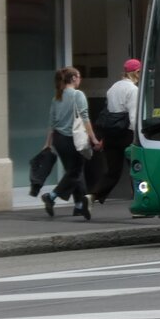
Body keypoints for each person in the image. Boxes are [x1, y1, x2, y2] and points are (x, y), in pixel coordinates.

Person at [41, 67, 101, 220]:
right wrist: (93, 139)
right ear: (74, 78)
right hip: (72, 139)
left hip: (59, 140)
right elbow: (85, 118)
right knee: (75, 172)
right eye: (79, 76)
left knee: (74, 172)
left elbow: (51, 123)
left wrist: (48, 143)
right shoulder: (77, 95)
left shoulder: (57, 97)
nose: (80, 79)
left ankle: (79, 206)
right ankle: (51, 196)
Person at [88, 58, 141, 205]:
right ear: (137, 72)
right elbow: (133, 117)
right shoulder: (133, 90)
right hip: (127, 135)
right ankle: (139, 203)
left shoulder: (113, 88)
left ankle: (91, 196)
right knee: (136, 170)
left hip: (111, 135)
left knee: (112, 172)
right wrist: (138, 137)